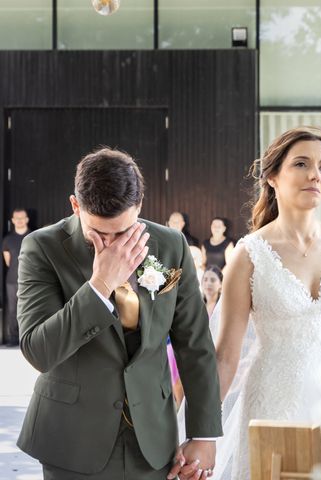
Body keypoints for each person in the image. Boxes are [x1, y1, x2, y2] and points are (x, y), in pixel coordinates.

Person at [16, 148, 221, 480]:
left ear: (139, 206)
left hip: (154, 443)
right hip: (71, 442)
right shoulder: (42, 247)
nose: (111, 243)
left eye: (122, 232)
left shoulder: (171, 246)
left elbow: (195, 345)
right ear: (75, 206)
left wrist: (203, 435)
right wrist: (100, 284)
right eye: (99, 232)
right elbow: (39, 351)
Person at [212, 126, 321, 479]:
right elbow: (225, 356)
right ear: (272, 176)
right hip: (273, 404)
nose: (315, 174)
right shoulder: (248, 254)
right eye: (301, 164)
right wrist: (204, 433)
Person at [2, 207, 30, 345]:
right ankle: (14, 338)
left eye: (22, 218)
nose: (19, 220)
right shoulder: (7, 240)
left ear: (27, 219)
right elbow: (8, 262)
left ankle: (29, 339)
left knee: (30, 308)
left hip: (31, 280)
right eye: (16, 218)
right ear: (13, 220)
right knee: (13, 309)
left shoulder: (33, 236)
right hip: (12, 280)